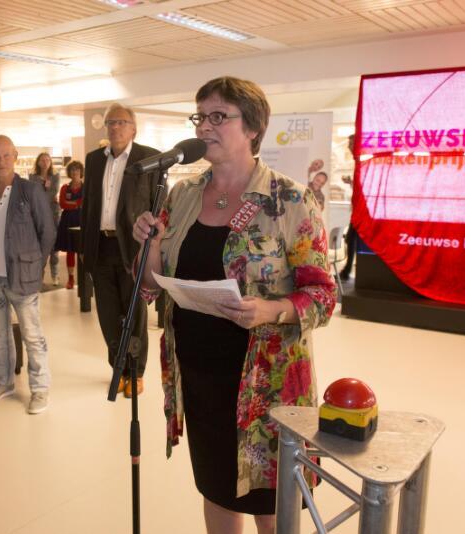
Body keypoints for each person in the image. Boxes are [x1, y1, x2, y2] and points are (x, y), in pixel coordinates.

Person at [132, 77, 336, 533]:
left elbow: (323, 296)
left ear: (253, 128)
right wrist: (150, 247)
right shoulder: (182, 196)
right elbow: (149, 287)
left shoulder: (290, 200)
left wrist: (271, 310)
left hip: (266, 384)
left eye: (218, 116)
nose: (204, 127)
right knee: (217, 488)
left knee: (270, 501)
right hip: (199, 375)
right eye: (200, 116)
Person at [80, 103, 160, 398]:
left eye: (121, 122)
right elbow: (88, 205)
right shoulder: (94, 160)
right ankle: (119, 368)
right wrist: (84, 248)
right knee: (108, 314)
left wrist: (153, 245)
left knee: (134, 313)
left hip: (133, 247)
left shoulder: (149, 158)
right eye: (111, 122)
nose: (115, 127)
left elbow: (157, 205)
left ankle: (136, 372)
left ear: (133, 128)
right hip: (101, 246)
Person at [0, 135, 56, 414]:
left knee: (32, 336)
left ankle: (40, 389)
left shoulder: (29, 190)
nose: (1, 161)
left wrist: (37, 265)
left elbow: (47, 231)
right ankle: (4, 382)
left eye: (6, 155)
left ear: (16, 156)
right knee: (0, 335)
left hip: (22, 276)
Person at [29, 152, 60, 285]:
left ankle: (55, 275)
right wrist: (43, 198)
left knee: (54, 246)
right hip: (37, 215)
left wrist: (41, 198)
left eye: (47, 159)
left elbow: (53, 192)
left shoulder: (55, 176)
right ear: (38, 162)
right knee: (39, 246)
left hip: (53, 215)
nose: (45, 162)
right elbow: (32, 194)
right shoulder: (32, 177)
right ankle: (39, 275)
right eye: (42, 159)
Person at [54, 160, 84, 290]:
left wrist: (71, 203)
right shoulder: (64, 187)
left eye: (77, 169)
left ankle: (85, 278)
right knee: (70, 250)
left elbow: (84, 202)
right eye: (72, 169)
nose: (75, 172)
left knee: (83, 250)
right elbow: (62, 204)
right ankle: (71, 278)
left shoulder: (86, 187)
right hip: (68, 221)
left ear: (81, 172)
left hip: (82, 220)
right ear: (69, 172)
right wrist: (77, 204)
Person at [340, 134, 358, 281]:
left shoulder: (362, 163)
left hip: (362, 214)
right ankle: (347, 269)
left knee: (351, 239)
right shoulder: (358, 163)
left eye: (351, 144)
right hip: (357, 212)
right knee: (350, 239)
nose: (349, 147)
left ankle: (347, 270)